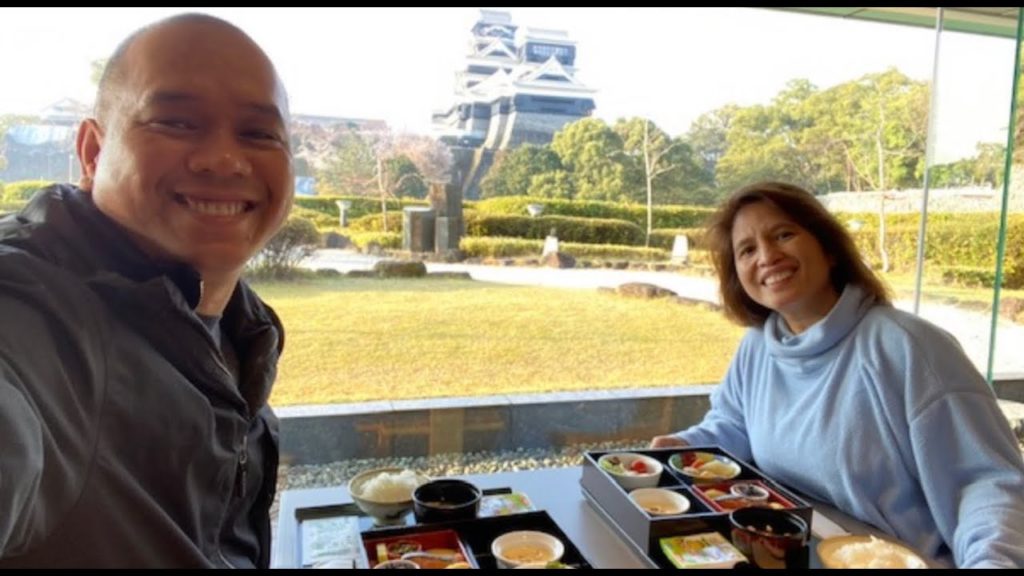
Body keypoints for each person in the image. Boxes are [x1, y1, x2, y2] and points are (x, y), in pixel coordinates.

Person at [0, 13, 293, 568]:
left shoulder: (240, 327)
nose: (224, 160)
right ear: (92, 152)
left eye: (259, 134)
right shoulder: (38, 315)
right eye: (176, 122)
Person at [650, 181, 1024, 568]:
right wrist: (682, 446)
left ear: (829, 248)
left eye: (784, 235)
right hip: (783, 549)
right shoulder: (758, 345)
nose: (767, 256)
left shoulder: (910, 348)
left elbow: (989, 483)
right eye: (747, 250)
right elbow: (735, 425)